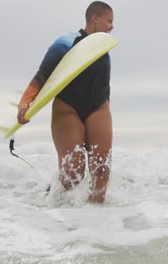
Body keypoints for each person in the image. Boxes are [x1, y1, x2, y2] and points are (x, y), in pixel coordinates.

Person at [17, 1, 115, 203]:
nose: (112, 26)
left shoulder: (104, 48)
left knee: (102, 169)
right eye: (109, 21)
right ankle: (56, 208)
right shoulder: (66, 42)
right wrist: (25, 104)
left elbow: (104, 85)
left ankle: (97, 219)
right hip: (67, 107)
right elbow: (41, 76)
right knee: (74, 172)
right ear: (95, 18)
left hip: (98, 107)